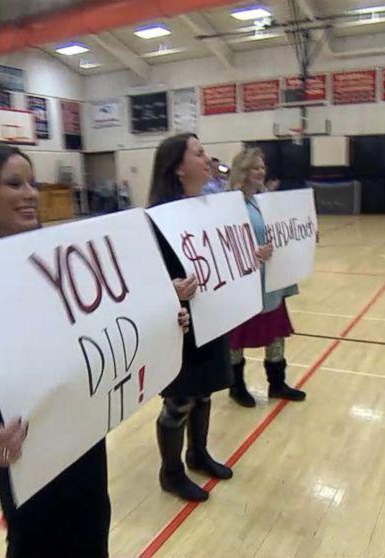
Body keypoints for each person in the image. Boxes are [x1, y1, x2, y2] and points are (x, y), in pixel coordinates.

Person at [0, 146, 132, 557]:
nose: (31, 193)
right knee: (36, 546)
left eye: (32, 182)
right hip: (23, 449)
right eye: (14, 184)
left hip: (84, 439)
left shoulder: (56, 259)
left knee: (93, 535)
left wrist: (163, 322)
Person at [148, 133, 234, 502]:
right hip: (179, 322)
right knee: (179, 401)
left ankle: (198, 454)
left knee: (204, 393)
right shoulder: (155, 219)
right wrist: (170, 289)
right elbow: (143, 277)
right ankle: (171, 472)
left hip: (211, 315)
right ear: (178, 167)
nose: (207, 159)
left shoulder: (210, 209)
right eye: (198, 153)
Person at [225, 148, 306, 408]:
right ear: (243, 171)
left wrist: (304, 236)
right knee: (236, 339)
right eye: (255, 167)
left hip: (271, 281)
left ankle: (277, 384)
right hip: (245, 283)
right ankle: (236, 386)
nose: (261, 171)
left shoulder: (265, 200)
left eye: (262, 167)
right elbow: (224, 243)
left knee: (275, 336)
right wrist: (252, 253)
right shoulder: (230, 203)